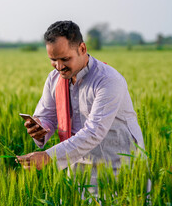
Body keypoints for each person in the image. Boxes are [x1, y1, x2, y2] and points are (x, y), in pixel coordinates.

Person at [16, 21, 145, 187]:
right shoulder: (54, 79)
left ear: (82, 49)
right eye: (53, 60)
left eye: (65, 59)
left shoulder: (107, 81)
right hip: (77, 170)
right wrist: (39, 128)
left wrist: (48, 156)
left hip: (120, 170)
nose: (59, 66)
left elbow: (94, 132)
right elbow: (47, 115)